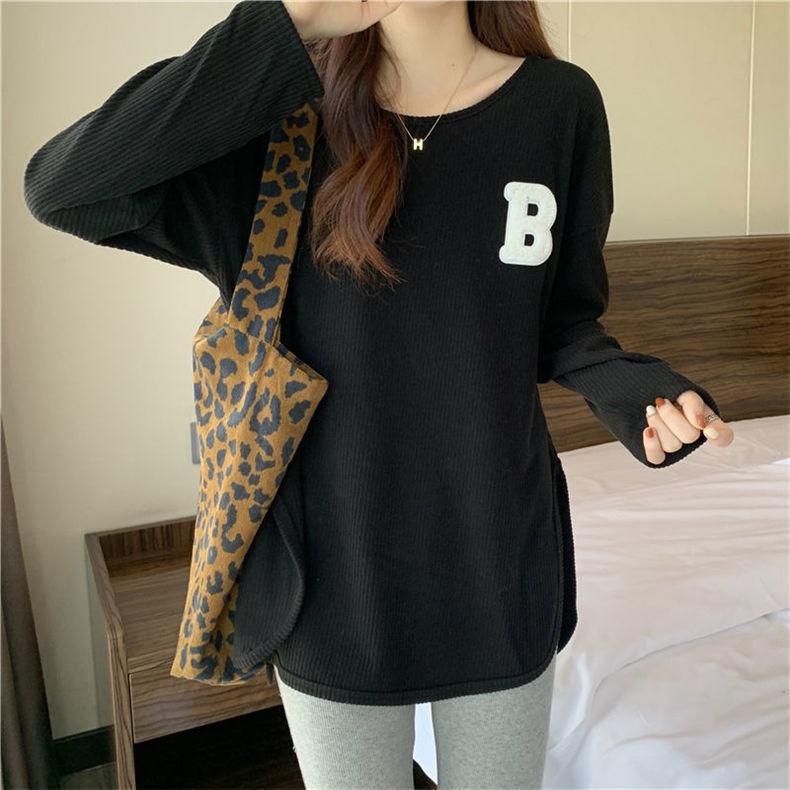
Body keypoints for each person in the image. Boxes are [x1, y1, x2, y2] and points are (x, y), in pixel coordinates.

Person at [23, 1, 734, 786]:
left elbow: (564, 321)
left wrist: (640, 394)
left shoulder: (558, 105)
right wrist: (290, 21)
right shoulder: (280, 121)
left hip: (499, 560)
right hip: (333, 581)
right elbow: (64, 188)